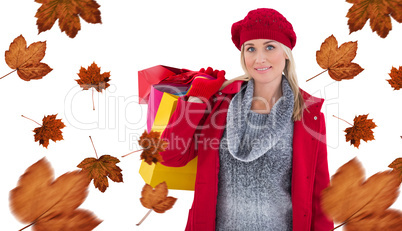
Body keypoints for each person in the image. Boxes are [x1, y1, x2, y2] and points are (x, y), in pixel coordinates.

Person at [160, 8, 334, 231]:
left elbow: (320, 195)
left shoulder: (308, 113)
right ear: (243, 55)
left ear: (286, 53)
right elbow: (169, 155)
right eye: (250, 49)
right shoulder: (221, 103)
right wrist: (197, 98)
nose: (259, 58)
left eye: (269, 47)